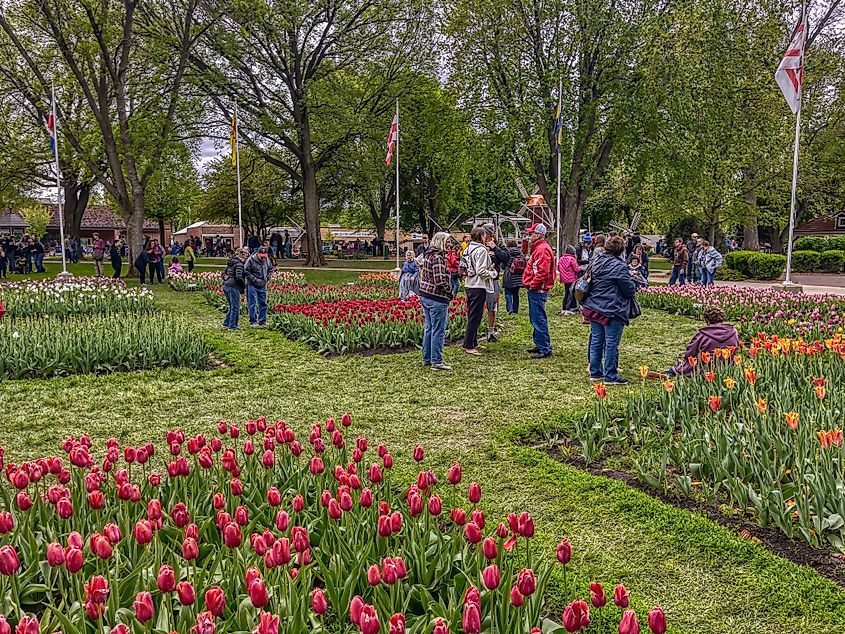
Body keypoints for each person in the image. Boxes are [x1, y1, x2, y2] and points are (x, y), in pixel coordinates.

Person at [582, 236, 636, 385]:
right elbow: (629, 289)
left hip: (594, 305)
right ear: (621, 250)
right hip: (612, 308)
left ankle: (595, 372)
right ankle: (610, 375)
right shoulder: (619, 266)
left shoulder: (596, 261)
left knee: (596, 340)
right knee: (611, 342)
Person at [668, 307, 739, 376]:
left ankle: (670, 373)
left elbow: (690, 354)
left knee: (685, 365)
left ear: (707, 320)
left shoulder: (703, 334)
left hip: (705, 368)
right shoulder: (733, 332)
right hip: (727, 366)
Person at [418, 232, 453, 371]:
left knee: (429, 328)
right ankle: (436, 361)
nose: (449, 244)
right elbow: (440, 280)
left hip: (425, 294)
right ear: (441, 242)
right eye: (447, 242)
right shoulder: (438, 257)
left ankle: (426, 358)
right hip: (436, 297)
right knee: (438, 330)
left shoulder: (428, 254)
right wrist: (449, 291)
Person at [521, 224, 555, 359]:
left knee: (538, 318)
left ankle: (544, 348)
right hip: (536, 288)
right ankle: (540, 344)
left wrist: (533, 285)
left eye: (531, 234)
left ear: (539, 235)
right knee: (536, 318)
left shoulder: (541, 250)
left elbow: (542, 272)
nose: (529, 236)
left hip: (537, 290)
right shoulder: (540, 248)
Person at [462, 226, 497, 356]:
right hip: (478, 285)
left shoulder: (468, 248)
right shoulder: (481, 250)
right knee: (475, 316)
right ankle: (469, 345)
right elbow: (481, 271)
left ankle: (473, 341)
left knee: (472, 314)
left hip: (469, 283)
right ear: (481, 237)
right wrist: (493, 273)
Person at [482, 223, 509, 343]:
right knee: (477, 307)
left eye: (486, 233)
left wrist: (495, 248)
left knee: (492, 307)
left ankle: (490, 332)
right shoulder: (478, 245)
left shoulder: (498, 245)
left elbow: (506, 258)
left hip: (493, 280)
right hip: (480, 281)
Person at [244, 246, 273, 327]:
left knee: (263, 303)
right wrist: (254, 279)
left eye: (265, 256)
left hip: (263, 284)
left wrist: (268, 277)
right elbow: (246, 271)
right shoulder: (251, 260)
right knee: (252, 303)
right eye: (262, 256)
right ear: (258, 254)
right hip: (252, 284)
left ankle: (262, 321)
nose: (263, 258)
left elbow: (271, 269)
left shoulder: (267, 260)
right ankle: (253, 321)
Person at [222, 248, 248, 330]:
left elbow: (223, 273)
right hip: (234, 286)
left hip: (226, 285)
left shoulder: (231, 262)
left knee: (231, 306)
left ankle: (226, 323)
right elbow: (239, 277)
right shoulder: (240, 264)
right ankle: (232, 326)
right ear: (242, 256)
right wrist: (243, 287)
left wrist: (226, 278)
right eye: (246, 255)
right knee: (235, 307)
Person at [502, 239, 525, 314]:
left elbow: (503, 265)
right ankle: (515, 309)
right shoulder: (520, 253)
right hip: (518, 276)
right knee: (516, 294)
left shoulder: (507, 253)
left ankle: (509, 308)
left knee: (508, 293)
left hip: (509, 275)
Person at [557, 245, 580, 314]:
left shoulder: (561, 258)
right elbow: (577, 269)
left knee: (567, 293)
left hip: (564, 279)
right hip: (571, 279)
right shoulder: (572, 259)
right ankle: (571, 307)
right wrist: (581, 268)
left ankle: (564, 306)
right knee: (572, 293)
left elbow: (558, 267)